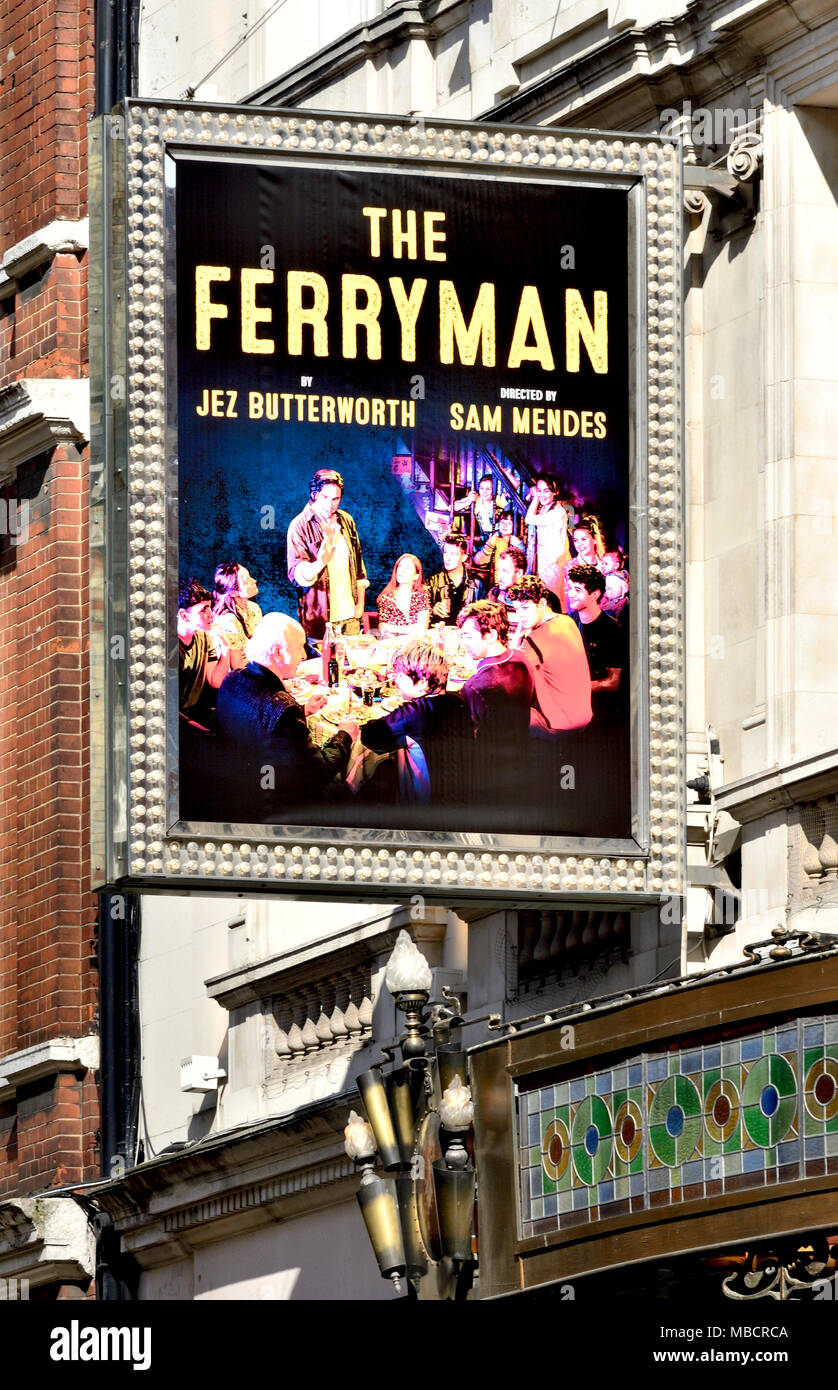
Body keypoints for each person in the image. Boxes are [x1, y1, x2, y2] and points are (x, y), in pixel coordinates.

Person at [216, 612, 358, 819]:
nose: (303, 656)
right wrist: (344, 735)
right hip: (274, 799)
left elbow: (259, 722)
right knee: (349, 786)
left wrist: (303, 712)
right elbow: (320, 770)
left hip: (237, 784)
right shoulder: (283, 710)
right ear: (278, 653)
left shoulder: (232, 679)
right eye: (299, 646)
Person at [360, 639, 474, 811]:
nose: (395, 682)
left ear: (422, 683)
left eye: (399, 676)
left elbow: (370, 736)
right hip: (463, 793)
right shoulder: (458, 700)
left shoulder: (413, 713)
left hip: (428, 805)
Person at [286, 468, 368, 640]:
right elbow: (296, 575)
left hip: (350, 616)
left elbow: (359, 564)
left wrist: (360, 604)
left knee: (352, 666)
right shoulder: (300, 525)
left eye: (335, 499)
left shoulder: (346, 520)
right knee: (322, 666)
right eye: (324, 497)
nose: (330, 504)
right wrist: (321, 561)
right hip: (320, 620)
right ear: (314, 494)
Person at [507, 575, 592, 732]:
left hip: (561, 723)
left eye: (525, 608)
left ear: (543, 603)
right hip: (582, 716)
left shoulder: (540, 637)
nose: (520, 615)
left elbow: (506, 668)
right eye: (517, 609)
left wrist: (520, 631)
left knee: (498, 711)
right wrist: (524, 624)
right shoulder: (566, 621)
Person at [177, 577, 235, 728]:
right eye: (203, 609)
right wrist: (199, 729)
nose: (211, 615)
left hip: (198, 713)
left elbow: (215, 681)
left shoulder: (203, 635)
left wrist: (225, 648)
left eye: (210, 607)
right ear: (184, 615)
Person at [566, 564, 627, 697]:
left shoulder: (613, 630)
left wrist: (578, 686)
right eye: (570, 588)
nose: (570, 593)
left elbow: (613, 682)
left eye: (577, 590)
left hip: (600, 706)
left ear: (595, 594)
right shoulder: (568, 621)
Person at [524, 475, 570, 608]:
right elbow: (527, 501)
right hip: (544, 562)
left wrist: (536, 497)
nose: (542, 495)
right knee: (545, 600)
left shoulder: (558, 512)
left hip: (553, 563)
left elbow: (529, 519)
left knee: (554, 601)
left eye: (546, 491)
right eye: (539, 490)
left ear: (555, 492)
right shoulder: (545, 508)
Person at [211, 562, 263, 660]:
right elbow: (237, 666)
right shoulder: (228, 621)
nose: (254, 581)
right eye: (246, 580)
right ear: (233, 592)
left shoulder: (254, 609)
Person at [427, 533, 480, 626]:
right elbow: (420, 612)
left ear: (464, 558)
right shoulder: (432, 581)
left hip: (465, 635)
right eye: (445, 552)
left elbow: (483, 617)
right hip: (438, 633)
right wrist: (432, 610)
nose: (448, 558)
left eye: (453, 554)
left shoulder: (477, 584)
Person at [376, 554, 431, 635]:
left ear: (416, 576)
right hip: (393, 644)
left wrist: (393, 628)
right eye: (400, 566)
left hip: (418, 644)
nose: (401, 570)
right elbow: (384, 630)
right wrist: (414, 628)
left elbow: (422, 628)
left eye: (407, 568)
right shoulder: (386, 599)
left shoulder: (421, 595)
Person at [474, 509, 526, 586]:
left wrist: (519, 546)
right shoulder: (495, 539)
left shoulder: (519, 542)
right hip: (495, 583)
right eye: (502, 522)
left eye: (509, 523)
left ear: (516, 525)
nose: (505, 526)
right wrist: (490, 545)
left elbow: (524, 565)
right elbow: (478, 561)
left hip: (514, 584)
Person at [454, 473, 502, 545]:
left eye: (488, 489)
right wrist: (469, 501)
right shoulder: (477, 499)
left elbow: (516, 485)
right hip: (484, 536)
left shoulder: (498, 500)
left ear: (494, 489)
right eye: (481, 488)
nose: (484, 492)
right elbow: (453, 507)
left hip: (499, 536)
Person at [599, 546, 630, 620]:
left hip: (615, 601)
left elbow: (616, 593)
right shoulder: (623, 572)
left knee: (602, 609)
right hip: (622, 601)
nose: (603, 566)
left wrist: (606, 594)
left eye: (606, 564)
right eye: (602, 563)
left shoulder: (611, 577)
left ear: (616, 565)